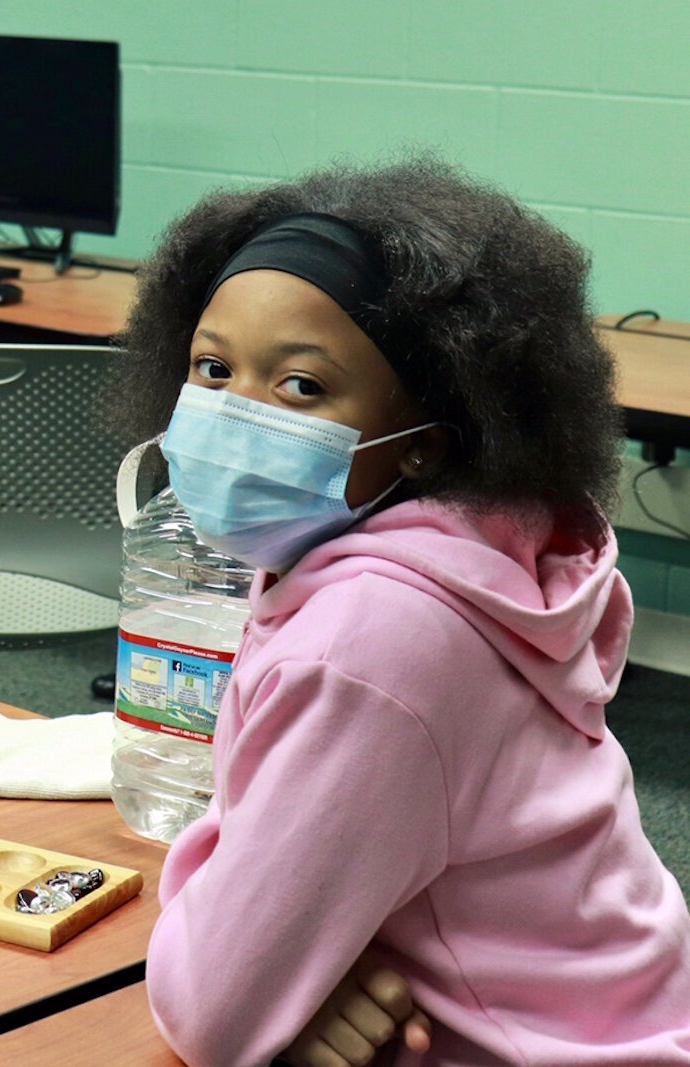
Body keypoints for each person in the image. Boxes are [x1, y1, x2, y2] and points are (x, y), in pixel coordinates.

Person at [115, 158, 690, 1065]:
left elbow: (209, 1013)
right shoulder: (475, 555)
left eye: (300, 386)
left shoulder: (369, 641)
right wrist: (300, 959)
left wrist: (246, 935)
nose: (233, 414)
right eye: (212, 367)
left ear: (421, 443)